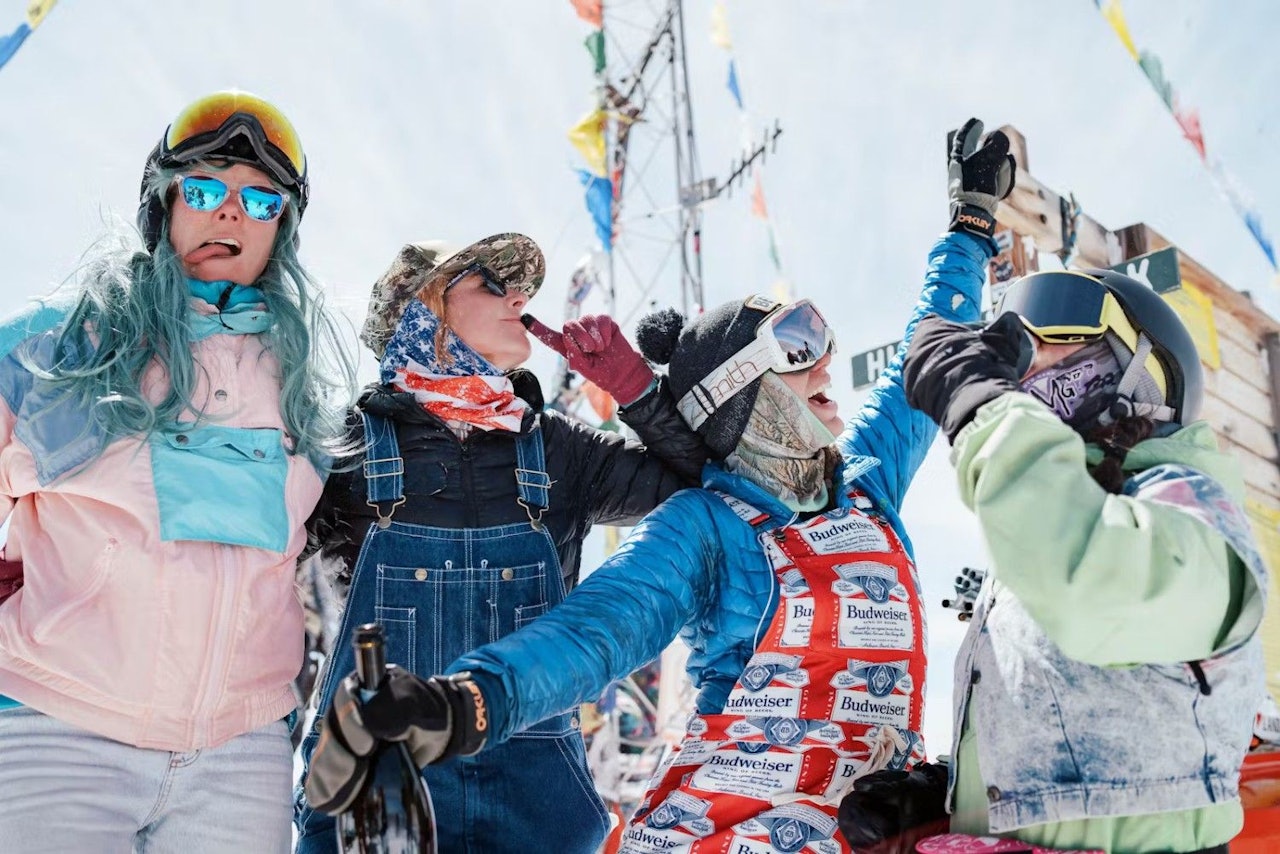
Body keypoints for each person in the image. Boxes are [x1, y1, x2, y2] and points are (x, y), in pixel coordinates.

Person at [302, 118, 1012, 853]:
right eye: (800, 351)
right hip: (727, 830)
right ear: (747, 391)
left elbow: (930, 346)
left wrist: (969, 229)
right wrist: (463, 702)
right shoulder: (708, 526)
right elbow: (599, 630)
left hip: (863, 826)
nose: (828, 364)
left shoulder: (869, 484)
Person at [0, 90, 355, 852]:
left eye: (259, 200)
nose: (230, 212)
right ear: (163, 204)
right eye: (204, 188)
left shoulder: (304, 394)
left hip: (240, 759)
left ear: (280, 232)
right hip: (59, 734)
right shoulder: (58, 347)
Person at [293, 232, 711, 853]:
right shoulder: (344, 447)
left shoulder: (560, 449)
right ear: (423, 309)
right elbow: (247, 582)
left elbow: (706, 487)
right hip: (373, 795)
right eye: (491, 283)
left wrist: (637, 393)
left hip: (538, 812)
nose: (519, 297)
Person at [838, 268, 1266, 854]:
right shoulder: (1044, 533)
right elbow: (1080, 729)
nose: (1027, 357)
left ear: (1141, 369)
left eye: (1056, 328)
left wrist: (982, 406)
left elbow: (1098, 592)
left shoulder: (1192, 506)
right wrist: (953, 795)